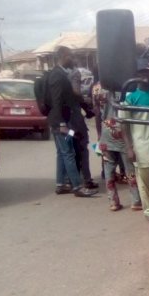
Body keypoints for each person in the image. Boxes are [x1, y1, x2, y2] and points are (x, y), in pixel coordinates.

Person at [47, 46, 97, 197]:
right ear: (63, 56)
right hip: (62, 124)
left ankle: (61, 184)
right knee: (68, 152)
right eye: (71, 56)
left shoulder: (62, 74)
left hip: (63, 122)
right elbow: (57, 101)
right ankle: (77, 187)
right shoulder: (58, 75)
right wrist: (62, 123)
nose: (73, 59)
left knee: (62, 152)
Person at [122, 62, 149, 223]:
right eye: (140, 74)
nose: (144, 77)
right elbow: (123, 124)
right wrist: (129, 147)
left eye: (147, 73)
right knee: (145, 183)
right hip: (142, 147)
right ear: (135, 77)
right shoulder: (130, 98)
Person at [98, 91, 142, 212]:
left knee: (108, 170)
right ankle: (136, 201)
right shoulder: (129, 92)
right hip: (123, 134)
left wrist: (99, 133)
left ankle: (113, 202)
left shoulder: (103, 92)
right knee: (130, 170)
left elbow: (98, 113)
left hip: (106, 133)